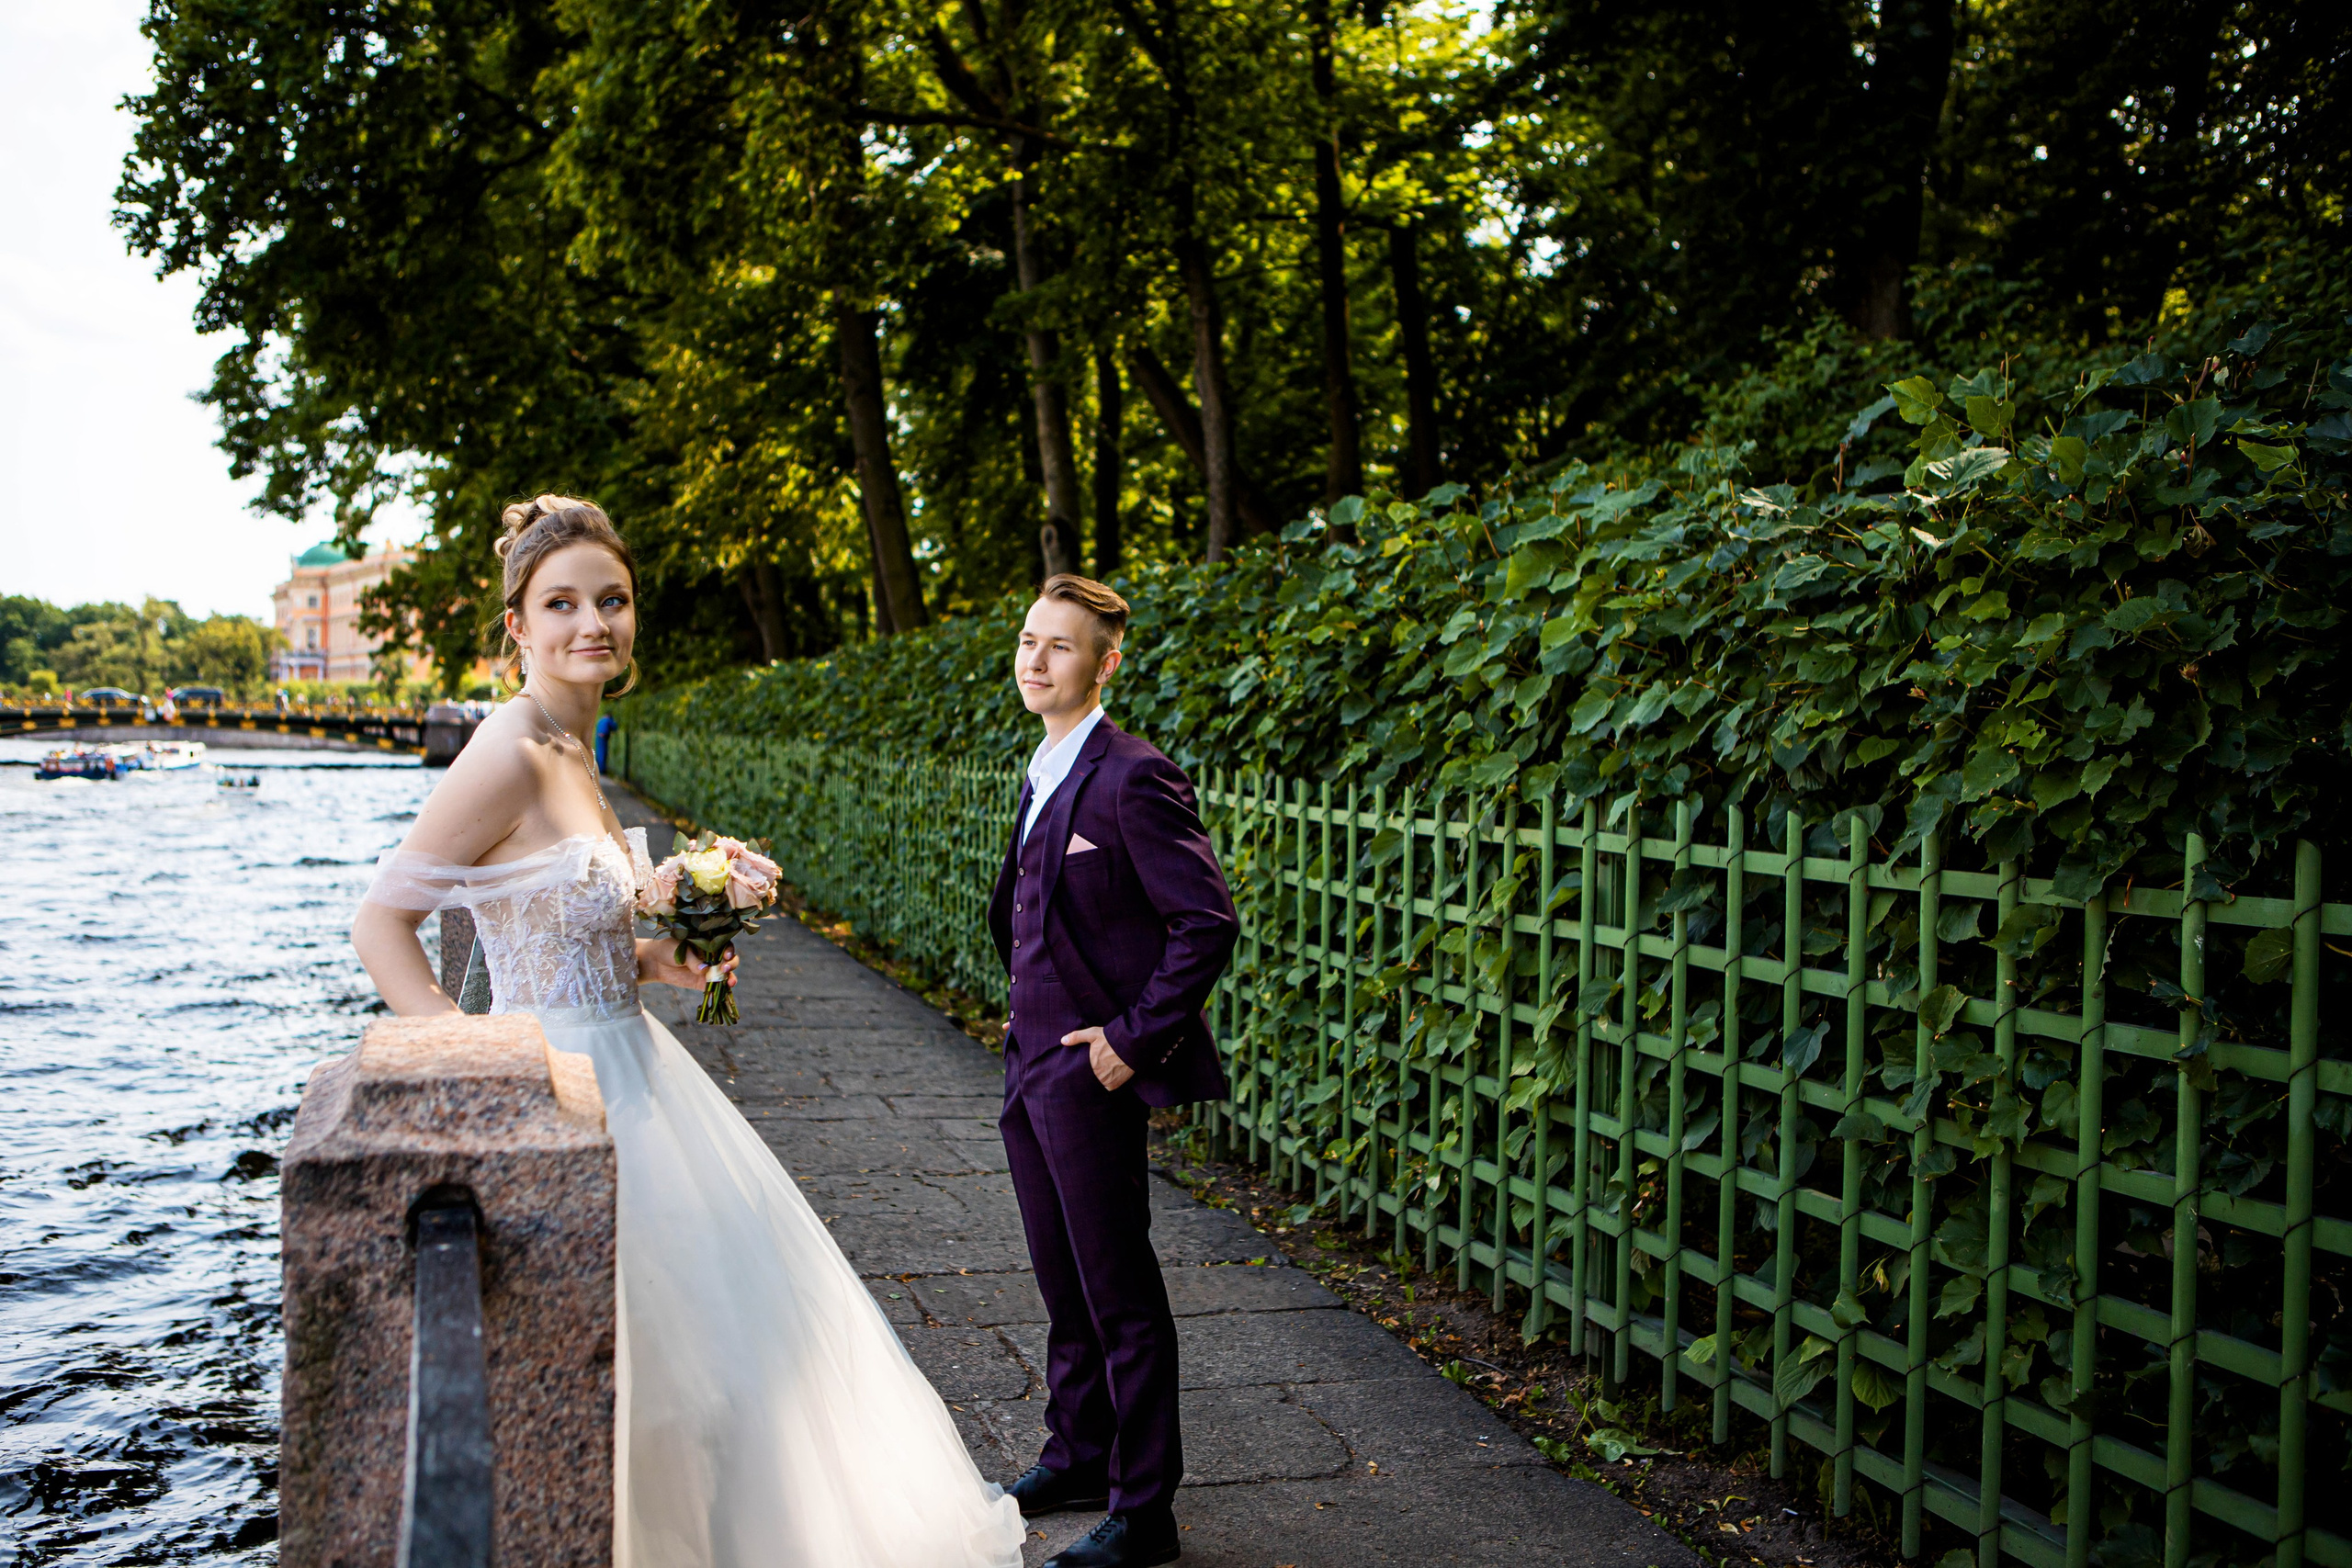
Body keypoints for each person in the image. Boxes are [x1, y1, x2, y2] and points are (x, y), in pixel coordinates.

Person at [350, 495, 1024, 1568]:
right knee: (650, 1389)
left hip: (642, 1078)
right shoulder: (509, 751)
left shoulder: (575, 750)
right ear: (516, 625)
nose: (593, 624)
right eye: (560, 603)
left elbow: (578, 934)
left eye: (610, 601)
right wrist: (476, 1063)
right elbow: (381, 922)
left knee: (728, 1377)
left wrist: (665, 956)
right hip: (562, 1092)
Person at [988, 575, 1239, 1568]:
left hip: (1088, 1071)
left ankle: (1146, 1511)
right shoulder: (1043, 766)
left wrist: (1128, 1040)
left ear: (1105, 663)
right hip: (1025, 1061)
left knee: (1119, 1291)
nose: (1036, 659)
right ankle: (1079, 1452)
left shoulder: (1133, 775)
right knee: (1062, 1281)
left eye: (1060, 646)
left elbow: (1205, 921)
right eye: (1029, 639)